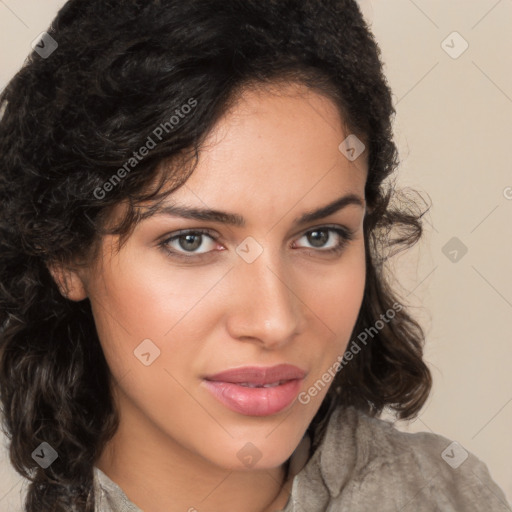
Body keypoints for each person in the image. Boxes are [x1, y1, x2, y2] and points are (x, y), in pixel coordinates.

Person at [0, 0, 510, 511]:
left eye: (319, 236)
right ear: (66, 253)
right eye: (192, 241)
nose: (274, 322)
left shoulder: (451, 496)